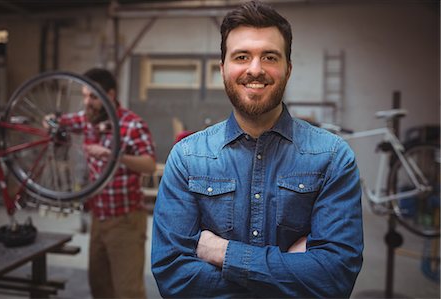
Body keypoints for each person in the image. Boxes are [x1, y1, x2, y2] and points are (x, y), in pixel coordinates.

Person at [151, 1, 363, 298]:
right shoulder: (187, 158)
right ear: (223, 68)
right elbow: (173, 278)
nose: (255, 69)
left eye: (269, 57)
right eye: (242, 56)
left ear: (287, 69)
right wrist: (292, 272)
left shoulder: (332, 157)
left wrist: (223, 253)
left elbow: (334, 279)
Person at [53, 68, 156, 298]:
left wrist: (111, 155)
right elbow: (61, 122)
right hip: (99, 218)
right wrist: (50, 121)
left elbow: (149, 164)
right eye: (84, 96)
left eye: (92, 97)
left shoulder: (132, 124)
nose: (87, 103)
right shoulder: (89, 118)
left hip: (126, 220)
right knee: (99, 287)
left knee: (128, 291)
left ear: (109, 96)